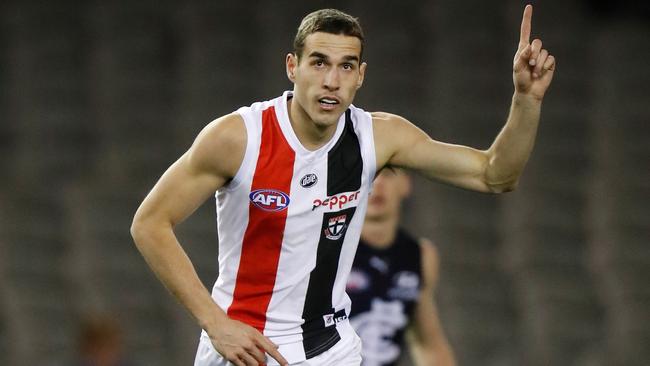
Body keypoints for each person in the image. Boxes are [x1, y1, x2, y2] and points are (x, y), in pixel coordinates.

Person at [130, 5, 554, 366]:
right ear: (292, 67)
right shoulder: (238, 138)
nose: (331, 81)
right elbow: (149, 223)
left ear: (361, 76)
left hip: (331, 349)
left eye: (346, 66)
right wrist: (215, 322)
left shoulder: (379, 136)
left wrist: (526, 101)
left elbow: (495, 175)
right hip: (244, 348)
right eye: (319, 62)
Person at [347, 169, 455, 366]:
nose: (377, 184)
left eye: (387, 174)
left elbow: (426, 344)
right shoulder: (328, 247)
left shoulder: (420, 255)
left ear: (406, 184)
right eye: (370, 175)